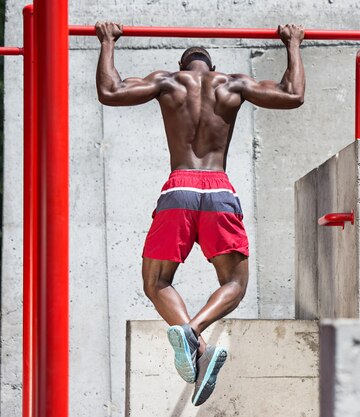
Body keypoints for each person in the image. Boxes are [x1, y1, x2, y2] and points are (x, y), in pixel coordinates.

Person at [95, 21, 305, 406]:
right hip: (218, 190)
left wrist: (108, 41)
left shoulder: (167, 82)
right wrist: (292, 43)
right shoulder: (232, 84)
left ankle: (190, 336)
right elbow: (293, 95)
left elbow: (110, 90)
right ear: (211, 67)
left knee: (156, 282)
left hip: (178, 190)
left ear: (182, 65)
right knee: (235, 284)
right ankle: (195, 337)